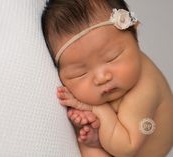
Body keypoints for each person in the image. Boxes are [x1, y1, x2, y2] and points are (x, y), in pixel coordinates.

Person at [41, 0, 173, 156]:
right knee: (87, 145)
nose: (101, 77)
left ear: (136, 37)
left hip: (134, 147)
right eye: (80, 73)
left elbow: (126, 148)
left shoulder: (144, 89)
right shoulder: (120, 75)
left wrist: (98, 109)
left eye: (112, 58)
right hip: (116, 135)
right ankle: (99, 139)